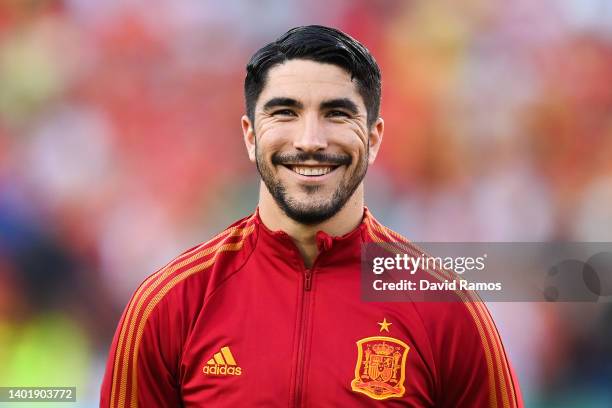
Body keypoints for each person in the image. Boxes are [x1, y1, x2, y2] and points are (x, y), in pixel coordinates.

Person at [100, 25, 523, 407]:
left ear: (374, 139)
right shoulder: (169, 305)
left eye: (337, 114)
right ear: (250, 136)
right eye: (285, 112)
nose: (310, 140)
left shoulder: (445, 307)